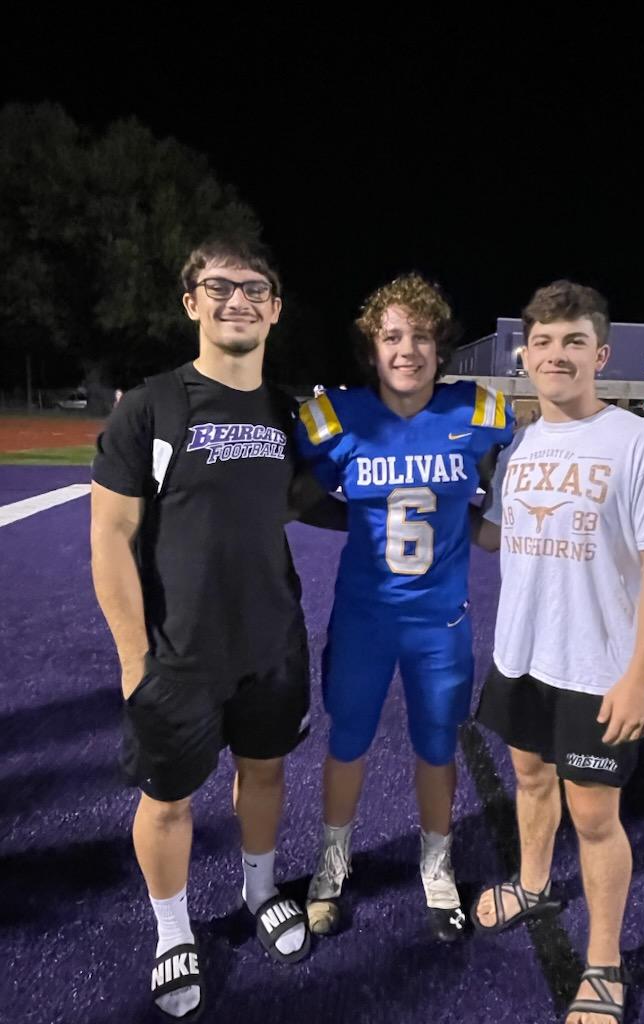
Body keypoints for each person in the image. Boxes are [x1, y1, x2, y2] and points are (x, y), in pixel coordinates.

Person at [91, 238, 337, 1019]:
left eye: (255, 288)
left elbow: (307, 500)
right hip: (178, 653)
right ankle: (173, 930)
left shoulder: (294, 411)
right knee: (167, 800)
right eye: (219, 286)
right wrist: (135, 661)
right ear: (191, 302)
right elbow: (110, 536)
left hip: (272, 643)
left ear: (276, 308)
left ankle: (259, 889)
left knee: (265, 774)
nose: (238, 300)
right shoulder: (151, 405)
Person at [470, 281, 644, 1023]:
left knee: (596, 818)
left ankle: (603, 961)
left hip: (598, 670)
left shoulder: (641, 443)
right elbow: (500, 536)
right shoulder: (520, 444)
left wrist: (641, 679)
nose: (556, 354)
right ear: (525, 356)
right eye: (542, 342)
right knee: (529, 779)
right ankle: (534, 884)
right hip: (521, 657)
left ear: (600, 354)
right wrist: (432, 506)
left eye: (573, 341)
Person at [296, 273, 514, 942]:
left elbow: (497, 503)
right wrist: (365, 522)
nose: (407, 349)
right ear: (372, 347)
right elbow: (302, 499)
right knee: (348, 743)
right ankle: (332, 864)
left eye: (421, 336)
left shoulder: (476, 413)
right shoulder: (337, 418)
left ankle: (436, 865)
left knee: (437, 747)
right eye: (392, 336)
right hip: (364, 618)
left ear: (440, 347)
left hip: (439, 622)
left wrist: (477, 528)